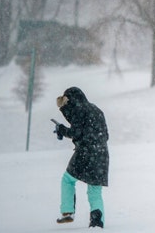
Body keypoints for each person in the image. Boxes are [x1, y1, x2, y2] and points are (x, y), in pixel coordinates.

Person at [54, 87, 109, 228]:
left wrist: (61, 129)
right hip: (102, 153)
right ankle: (97, 222)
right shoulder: (96, 110)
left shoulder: (79, 110)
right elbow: (106, 135)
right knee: (95, 190)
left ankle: (67, 212)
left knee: (68, 179)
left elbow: (75, 132)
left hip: (85, 152)